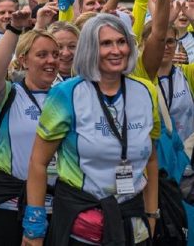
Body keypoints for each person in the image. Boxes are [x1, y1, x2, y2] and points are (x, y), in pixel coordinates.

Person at [23, 14, 163, 246]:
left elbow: (151, 159)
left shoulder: (146, 92)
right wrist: (34, 227)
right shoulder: (65, 94)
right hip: (80, 223)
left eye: (121, 41)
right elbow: (38, 163)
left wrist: (151, 214)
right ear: (90, 48)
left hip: (132, 220)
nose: (116, 50)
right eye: (106, 43)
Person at [0, 9, 60, 245]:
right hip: (9, 205)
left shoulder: (66, 97)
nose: (51, 61)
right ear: (23, 60)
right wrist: (13, 29)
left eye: (55, 54)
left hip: (56, 207)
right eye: (42, 54)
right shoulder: (7, 95)